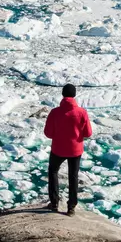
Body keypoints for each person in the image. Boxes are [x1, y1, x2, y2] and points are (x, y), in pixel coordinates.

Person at [43, 83, 93, 216]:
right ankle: (71, 208)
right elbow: (88, 133)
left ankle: (54, 203)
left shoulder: (55, 112)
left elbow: (48, 133)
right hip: (75, 150)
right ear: (74, 95)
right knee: (73, 176)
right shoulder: (82, 113)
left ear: (63, 94)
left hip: (58, 149)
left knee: (53, 172)